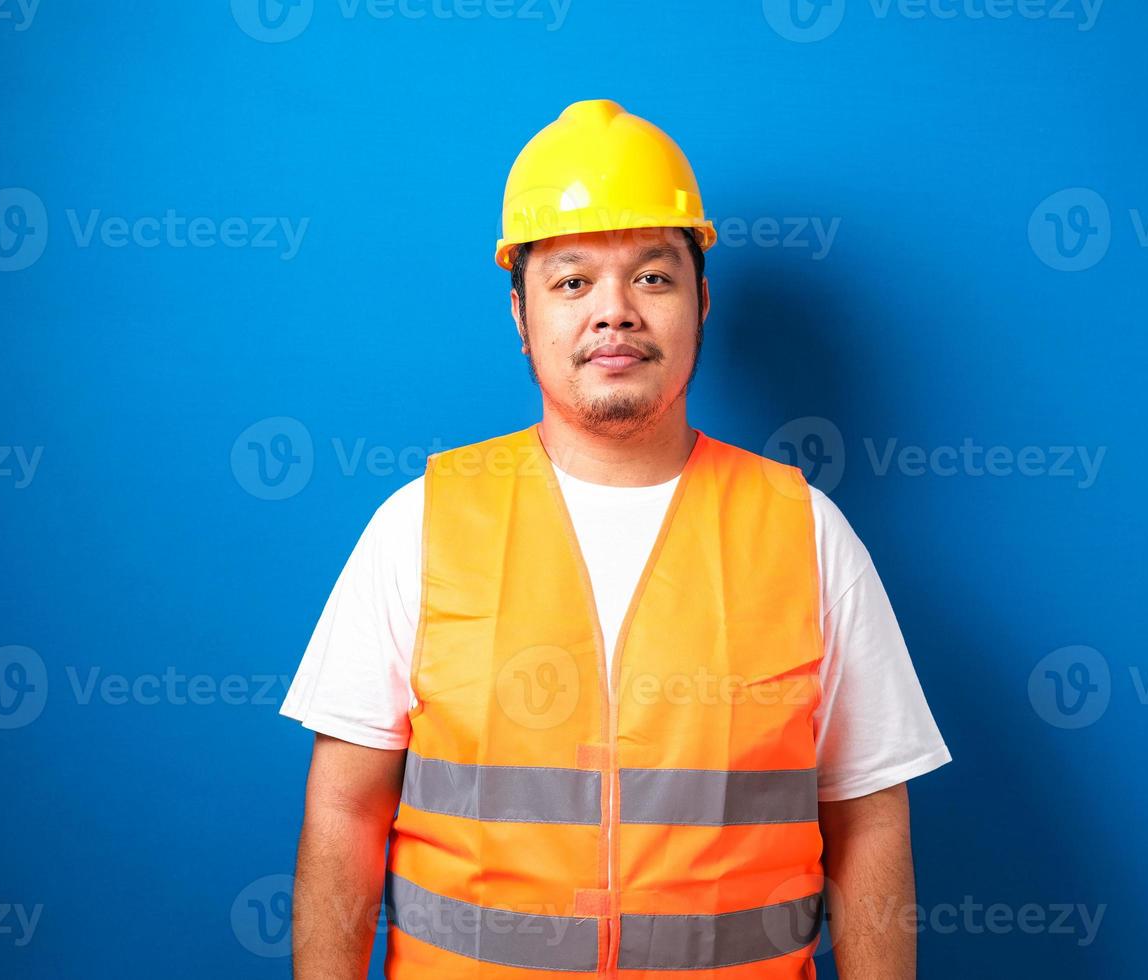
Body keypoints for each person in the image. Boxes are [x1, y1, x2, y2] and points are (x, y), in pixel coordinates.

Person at [280, 98, 951, 978]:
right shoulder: (420, 525)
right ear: (521, 315)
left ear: (701, 302)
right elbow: (344, 810)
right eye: (570, 281)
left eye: (653, 277)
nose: (615, 312)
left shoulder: (806, 533)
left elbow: (868, 819)